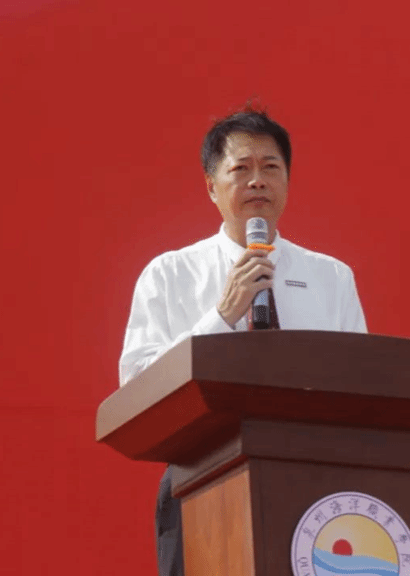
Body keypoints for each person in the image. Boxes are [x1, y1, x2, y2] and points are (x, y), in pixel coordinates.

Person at [118, 106, 367, 576]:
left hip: (314, 484)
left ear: (287, 181)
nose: (257, 181)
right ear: (211, 186)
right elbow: (136, 386)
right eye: (241, 169)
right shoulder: (170, 274)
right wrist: (221, 316)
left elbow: (361, 385)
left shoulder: (331, 277)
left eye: (271, 167)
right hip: (201, 478)